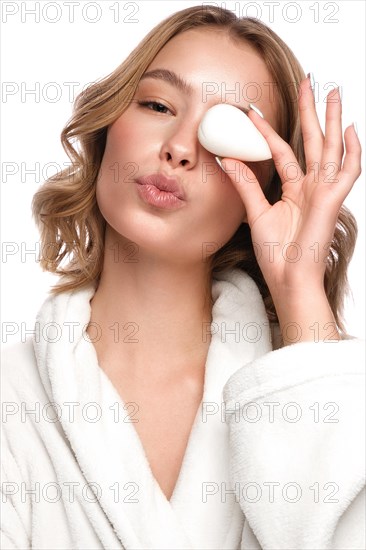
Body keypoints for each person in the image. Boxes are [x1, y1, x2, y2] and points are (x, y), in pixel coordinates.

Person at [1, 4, 364, 549]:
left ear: (265, 191)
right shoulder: (12, 395)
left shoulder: (329, 398)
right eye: (156, 104)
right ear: (107, 129)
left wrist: (300, 295)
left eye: (225, 133)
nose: (179, 148)